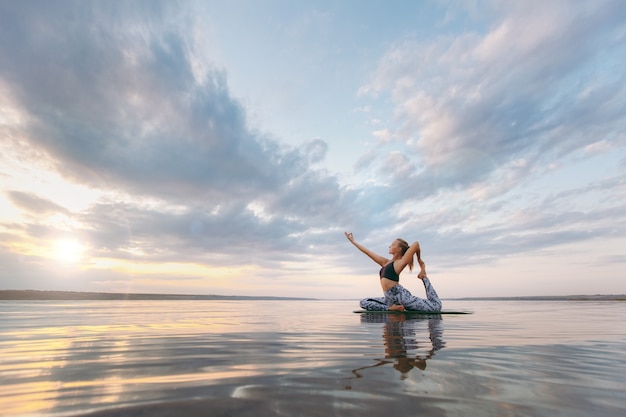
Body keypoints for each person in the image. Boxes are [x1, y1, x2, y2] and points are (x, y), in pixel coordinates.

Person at [344, 231, 442, 312]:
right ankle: (390, 308)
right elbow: (368, 252)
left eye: (392, 245)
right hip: (389, 299)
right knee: (364, 302)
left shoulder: (400, 263)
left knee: (436, 307)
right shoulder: (386, 262)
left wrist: (420, 263)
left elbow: (416, 244)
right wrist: (353, 241)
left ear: (398, 249)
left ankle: (424, 277)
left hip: (402, 298)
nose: (389, 246)